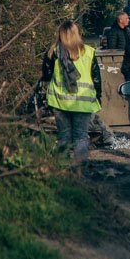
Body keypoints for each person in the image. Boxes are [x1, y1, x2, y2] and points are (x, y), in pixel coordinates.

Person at [40, 20, 102, 162]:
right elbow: (96, 79)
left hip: (60, 101)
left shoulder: (53, 52)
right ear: (77, 33)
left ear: (60, 34)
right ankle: (81, 171)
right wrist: (98, 98)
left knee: (64, 137)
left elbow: (46, 76)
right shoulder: (89, 52)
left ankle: (62, 170)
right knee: (81, 137)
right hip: (83, 102)